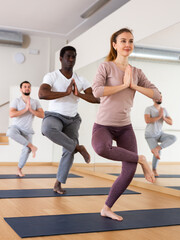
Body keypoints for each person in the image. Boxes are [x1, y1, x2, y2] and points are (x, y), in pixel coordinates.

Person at [91, 28, 161, 221]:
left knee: (128, 172)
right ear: (115, 45)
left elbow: (157, 95)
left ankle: (106, 208)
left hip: (124, 127)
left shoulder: (137, 72)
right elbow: (96, 92)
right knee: (101, 148)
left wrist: (134, 85)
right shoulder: (105, 67)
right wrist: (123, 85)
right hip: (103, 125)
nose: (127, 44)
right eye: (123, 41)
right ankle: (142, 159)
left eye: (130, 41)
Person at [38, 46, 99, 194]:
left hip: (72, 119)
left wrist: (79, 94)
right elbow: (42, 93)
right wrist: (65, 93)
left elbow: (96, 98)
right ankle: (78, 147)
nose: (71, 60)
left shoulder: (80, 79)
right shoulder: (51, 76)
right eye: (68, 57)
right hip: (54, 116)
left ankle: (58, 184)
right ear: (61, 59)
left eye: (73, 57)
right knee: (47, 129)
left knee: (68, 151)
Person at [7, 81, 44, 177]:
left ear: (30, 89)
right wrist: (25, 109)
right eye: (25, 87)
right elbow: (11, 114)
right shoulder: (16, 101)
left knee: (26, 151)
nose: (27, 88)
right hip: (16, 128)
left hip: (28, 130)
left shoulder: (35, 102)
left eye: (28, 87)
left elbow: (42, 115)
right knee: (10, 132)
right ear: (21, 89)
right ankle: (32, 146)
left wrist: (31, 110)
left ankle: (19, 169)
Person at [144, 95, 176, 176]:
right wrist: (159, 117)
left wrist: (164, 118)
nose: (160, 99)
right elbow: (147, 120)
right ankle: (154, 170)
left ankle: (157, 149)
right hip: (150, 135)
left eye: (161, 97)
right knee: (158, 153)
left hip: (160, 134)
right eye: (158, 97)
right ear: (153, 99)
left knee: (173, 137)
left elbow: (171, 122)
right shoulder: (149, 109)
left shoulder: (163, 110)